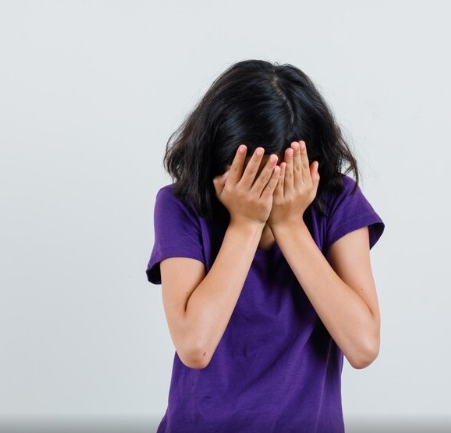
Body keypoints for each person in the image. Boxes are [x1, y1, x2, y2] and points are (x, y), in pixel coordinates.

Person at [145, 59, 385, 433]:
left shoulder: (339, 201)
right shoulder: (180, 206)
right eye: (248, 175)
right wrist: (246, 224)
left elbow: (363, 346)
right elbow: (195, 345)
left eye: (279, 177)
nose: (265, 191)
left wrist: (290, 225)